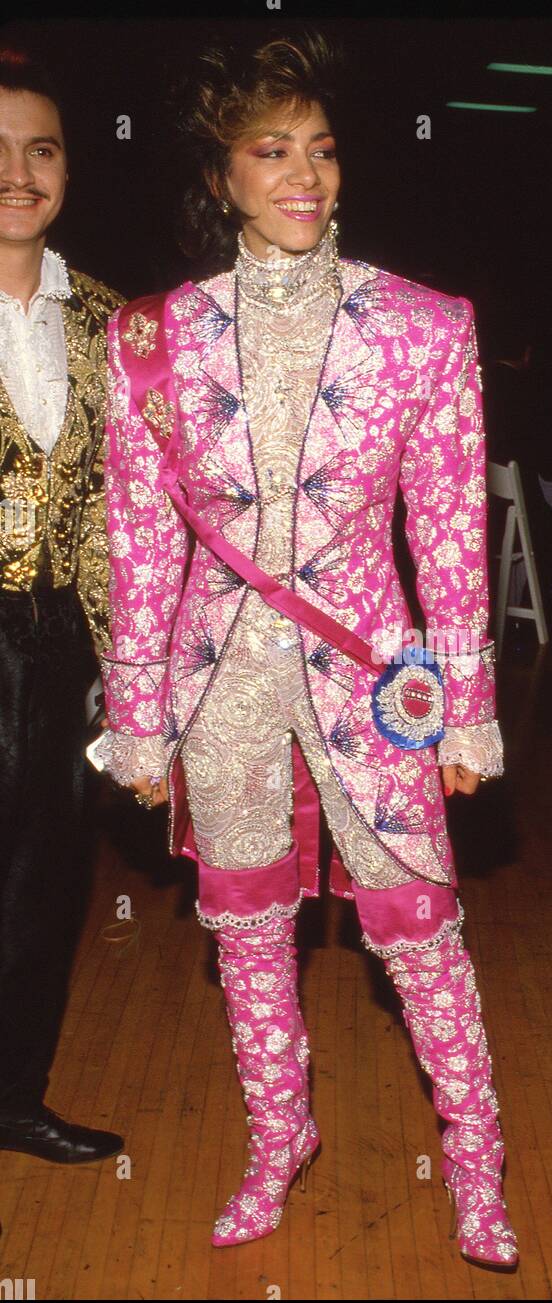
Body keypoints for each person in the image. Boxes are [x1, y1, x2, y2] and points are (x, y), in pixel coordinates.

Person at [97, 30, 518, 1269]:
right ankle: (278, 1140)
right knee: (245, 929)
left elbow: (448, 532)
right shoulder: (149, 341)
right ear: (219, 174)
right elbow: (138, 546)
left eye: (322, 151)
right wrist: (137, 718)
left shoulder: (425, 327)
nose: (304, 176)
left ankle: (479, 1166)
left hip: (379, 681)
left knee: (421, 928)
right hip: (215, 683)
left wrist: (468, 714)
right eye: (270, 150)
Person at [0, 46, 125, 1163]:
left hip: (65, 640)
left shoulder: (111, 322)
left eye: (39, 148)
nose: (17, 170)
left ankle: (13, 1097)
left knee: (44, 878)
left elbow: (141, 498)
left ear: (69, 172)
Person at [482, 314, 552, 598]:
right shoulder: (536, 393)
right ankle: (532, 606)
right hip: (517, 516)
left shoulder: (472, 386)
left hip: (472, 511)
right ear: (527, 353)